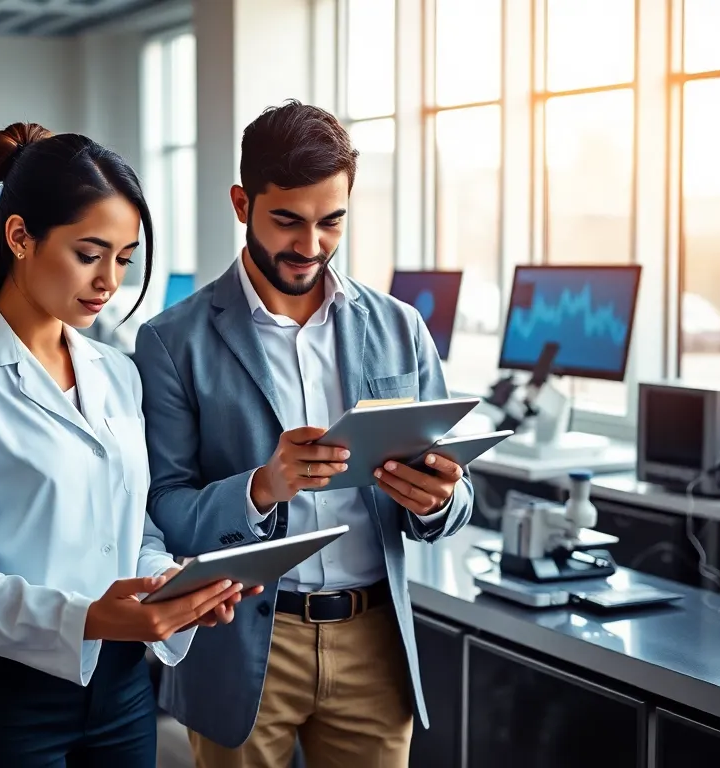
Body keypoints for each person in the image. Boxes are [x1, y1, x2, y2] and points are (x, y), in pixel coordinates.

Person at [0, 123, 254, 768]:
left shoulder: (115, 371)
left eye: (124, 258)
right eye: (90, 254)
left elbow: (131, 522)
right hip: (4, 703)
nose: (109, 280)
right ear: (20, 238)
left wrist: (167, 581)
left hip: (120, 694)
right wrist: (94, 616)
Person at [133, 100, 476, 767]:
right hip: (243, 637)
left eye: (331, 222)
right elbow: (162, 509)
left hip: (373, 638)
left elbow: (458, 499)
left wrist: (437, 499)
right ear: (242, 202)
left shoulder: (401, 328)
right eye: (287, 220)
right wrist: (262, 487)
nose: (311, 246)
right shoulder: (174, 341)